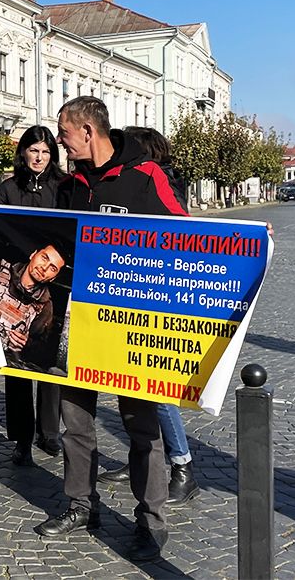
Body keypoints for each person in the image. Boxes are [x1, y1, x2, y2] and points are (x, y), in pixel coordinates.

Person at [42, 97, 188, 562]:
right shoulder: (70, 186)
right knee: (75, 424)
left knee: (142, 429)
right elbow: (52, 239)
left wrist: (248, 243)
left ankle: (150, 522)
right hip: (79, 323)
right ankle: (82, 504)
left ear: (88, 131)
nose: (60, 141)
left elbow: (188, 235)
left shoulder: (146, 176)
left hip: (132, 325)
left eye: (64, 133)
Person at [98, 127, 200, 506]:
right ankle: (139, 457)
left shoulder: (159, 182)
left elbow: (188, 232)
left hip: (157, 299)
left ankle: (183, 467)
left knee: (156, 389)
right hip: (127, 297)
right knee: (130, 388)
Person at [0, 126, 66, 464]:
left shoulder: (63, 188)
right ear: (23, 153)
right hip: (14, 283)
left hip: (52, 288)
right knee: (16, 366)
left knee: (49, 364)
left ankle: (49, 433)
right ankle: (21, 437)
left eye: (46, 152)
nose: (39, 158)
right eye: (34, 151)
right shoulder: (8, 188)